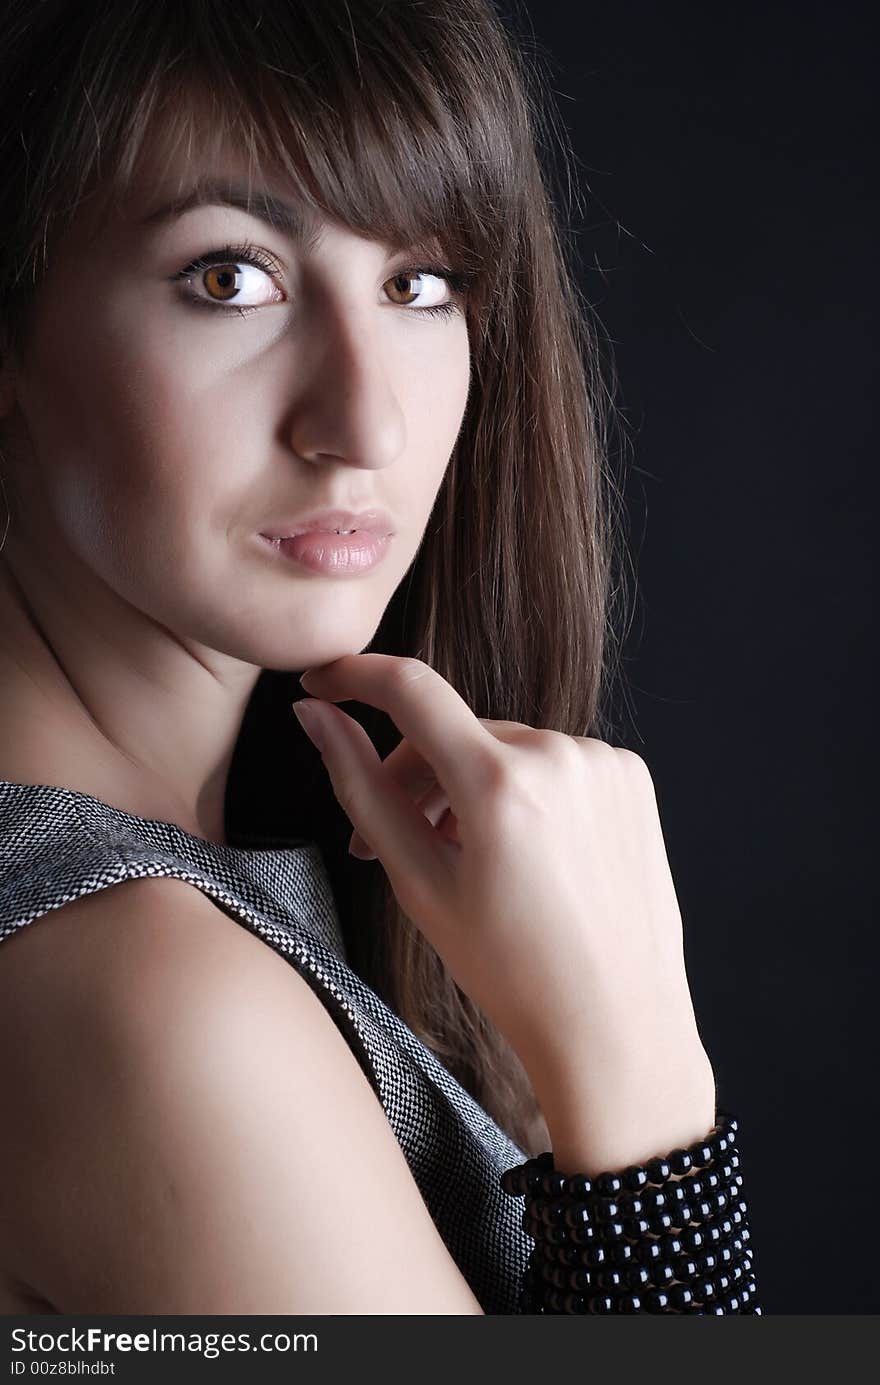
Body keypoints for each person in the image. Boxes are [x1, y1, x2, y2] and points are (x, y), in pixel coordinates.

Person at [0, 0, 759, 1315]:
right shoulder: (150, 1002)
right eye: (228, 277)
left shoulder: (245, 881)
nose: (364, 419)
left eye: (419, 283)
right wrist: (637, 1081)